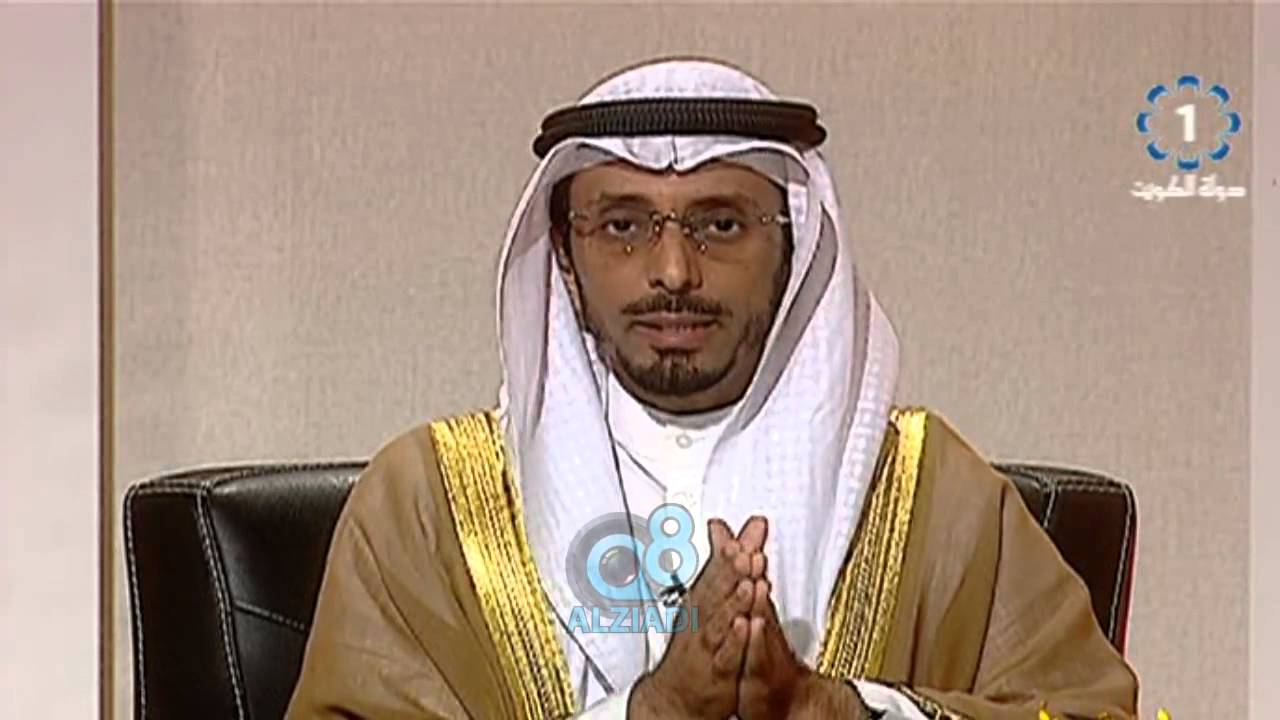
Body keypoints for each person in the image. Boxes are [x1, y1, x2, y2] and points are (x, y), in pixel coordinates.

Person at [285, 56, 1138, 720]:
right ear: (567, 258)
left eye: (721, 224)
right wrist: (648, 712)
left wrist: (837, 709)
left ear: (794, 245)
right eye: (623, 225)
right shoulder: (428, 503)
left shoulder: (935, 495)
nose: (672, 270)